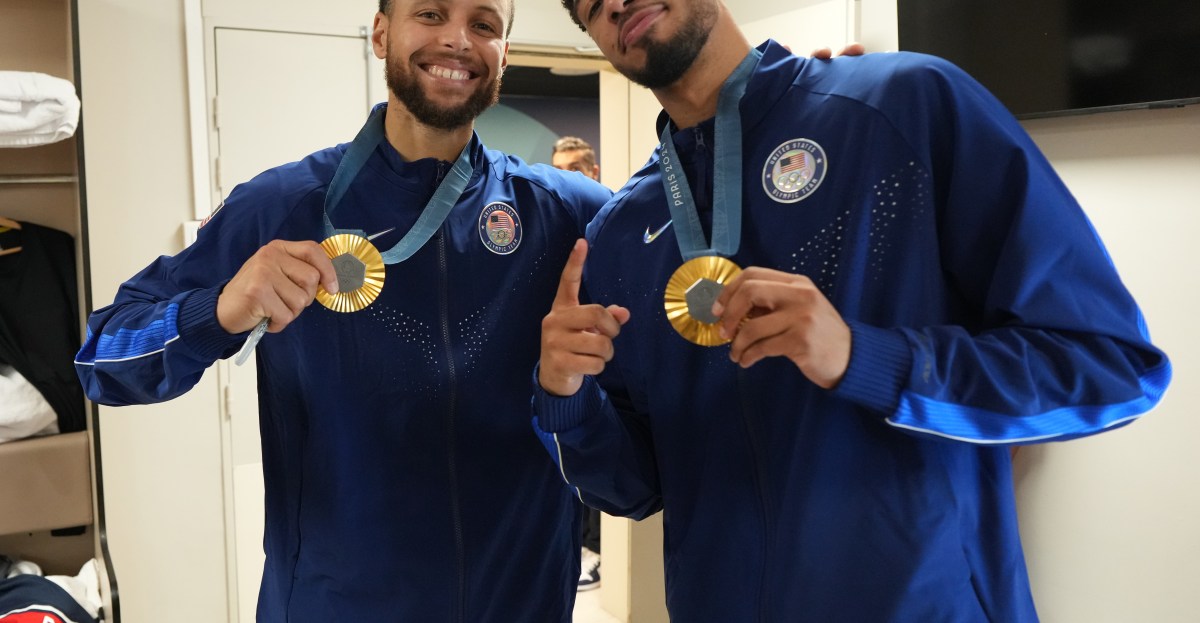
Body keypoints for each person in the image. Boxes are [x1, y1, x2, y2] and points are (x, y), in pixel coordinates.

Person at [533, 0, 1172, 621]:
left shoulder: (905, 105)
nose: (615, 2)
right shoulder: (623, 230)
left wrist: (866, 359)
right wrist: (566, 398)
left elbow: (1109, 368)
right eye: (587, 2)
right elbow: (635, 488)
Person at [74, 0, 613, 620]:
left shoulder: (563, 211)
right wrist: (215, 312)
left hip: (522, 603)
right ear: (382, 33)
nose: (458, 40)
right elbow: (100, 360)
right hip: (337, 604)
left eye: (484, 24)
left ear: (504, 55)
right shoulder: (284, 205)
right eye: (430, 13)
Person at [549, 135, 603, 591]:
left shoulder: (611, 219)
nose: (565, 178)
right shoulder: (544, 227)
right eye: (558, 169)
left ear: (593, 173)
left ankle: (597, 550)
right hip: (559, 373)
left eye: (574, 169)